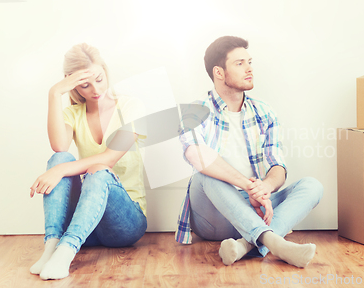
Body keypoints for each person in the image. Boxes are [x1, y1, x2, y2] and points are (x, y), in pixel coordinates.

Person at [175, 36, 323, 268]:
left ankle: (246, 245)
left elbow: (278, 167)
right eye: (239, 63)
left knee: (312, 185)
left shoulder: (265, 112)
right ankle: (275, 242)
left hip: (254, 208)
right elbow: (196, 155)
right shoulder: (194, 111)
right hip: (213, 215)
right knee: (204, 174)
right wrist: (249, 186)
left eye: (250, 62)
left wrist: (265, 188)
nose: (249, 69)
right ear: (219, 72)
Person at [29, 43, 147, 280]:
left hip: (126, 222)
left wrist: (61, 170)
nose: (95, 89)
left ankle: (66, 250)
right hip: (88, 223)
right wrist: (54, 93)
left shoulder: (131, 106)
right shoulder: (73, 114)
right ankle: (51, 246)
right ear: (73, 85)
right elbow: (59, 147)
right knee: (60, 158)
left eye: (99, 79)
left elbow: (110, 158)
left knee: (99, 170)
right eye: (85, 85)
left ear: (105, 71)